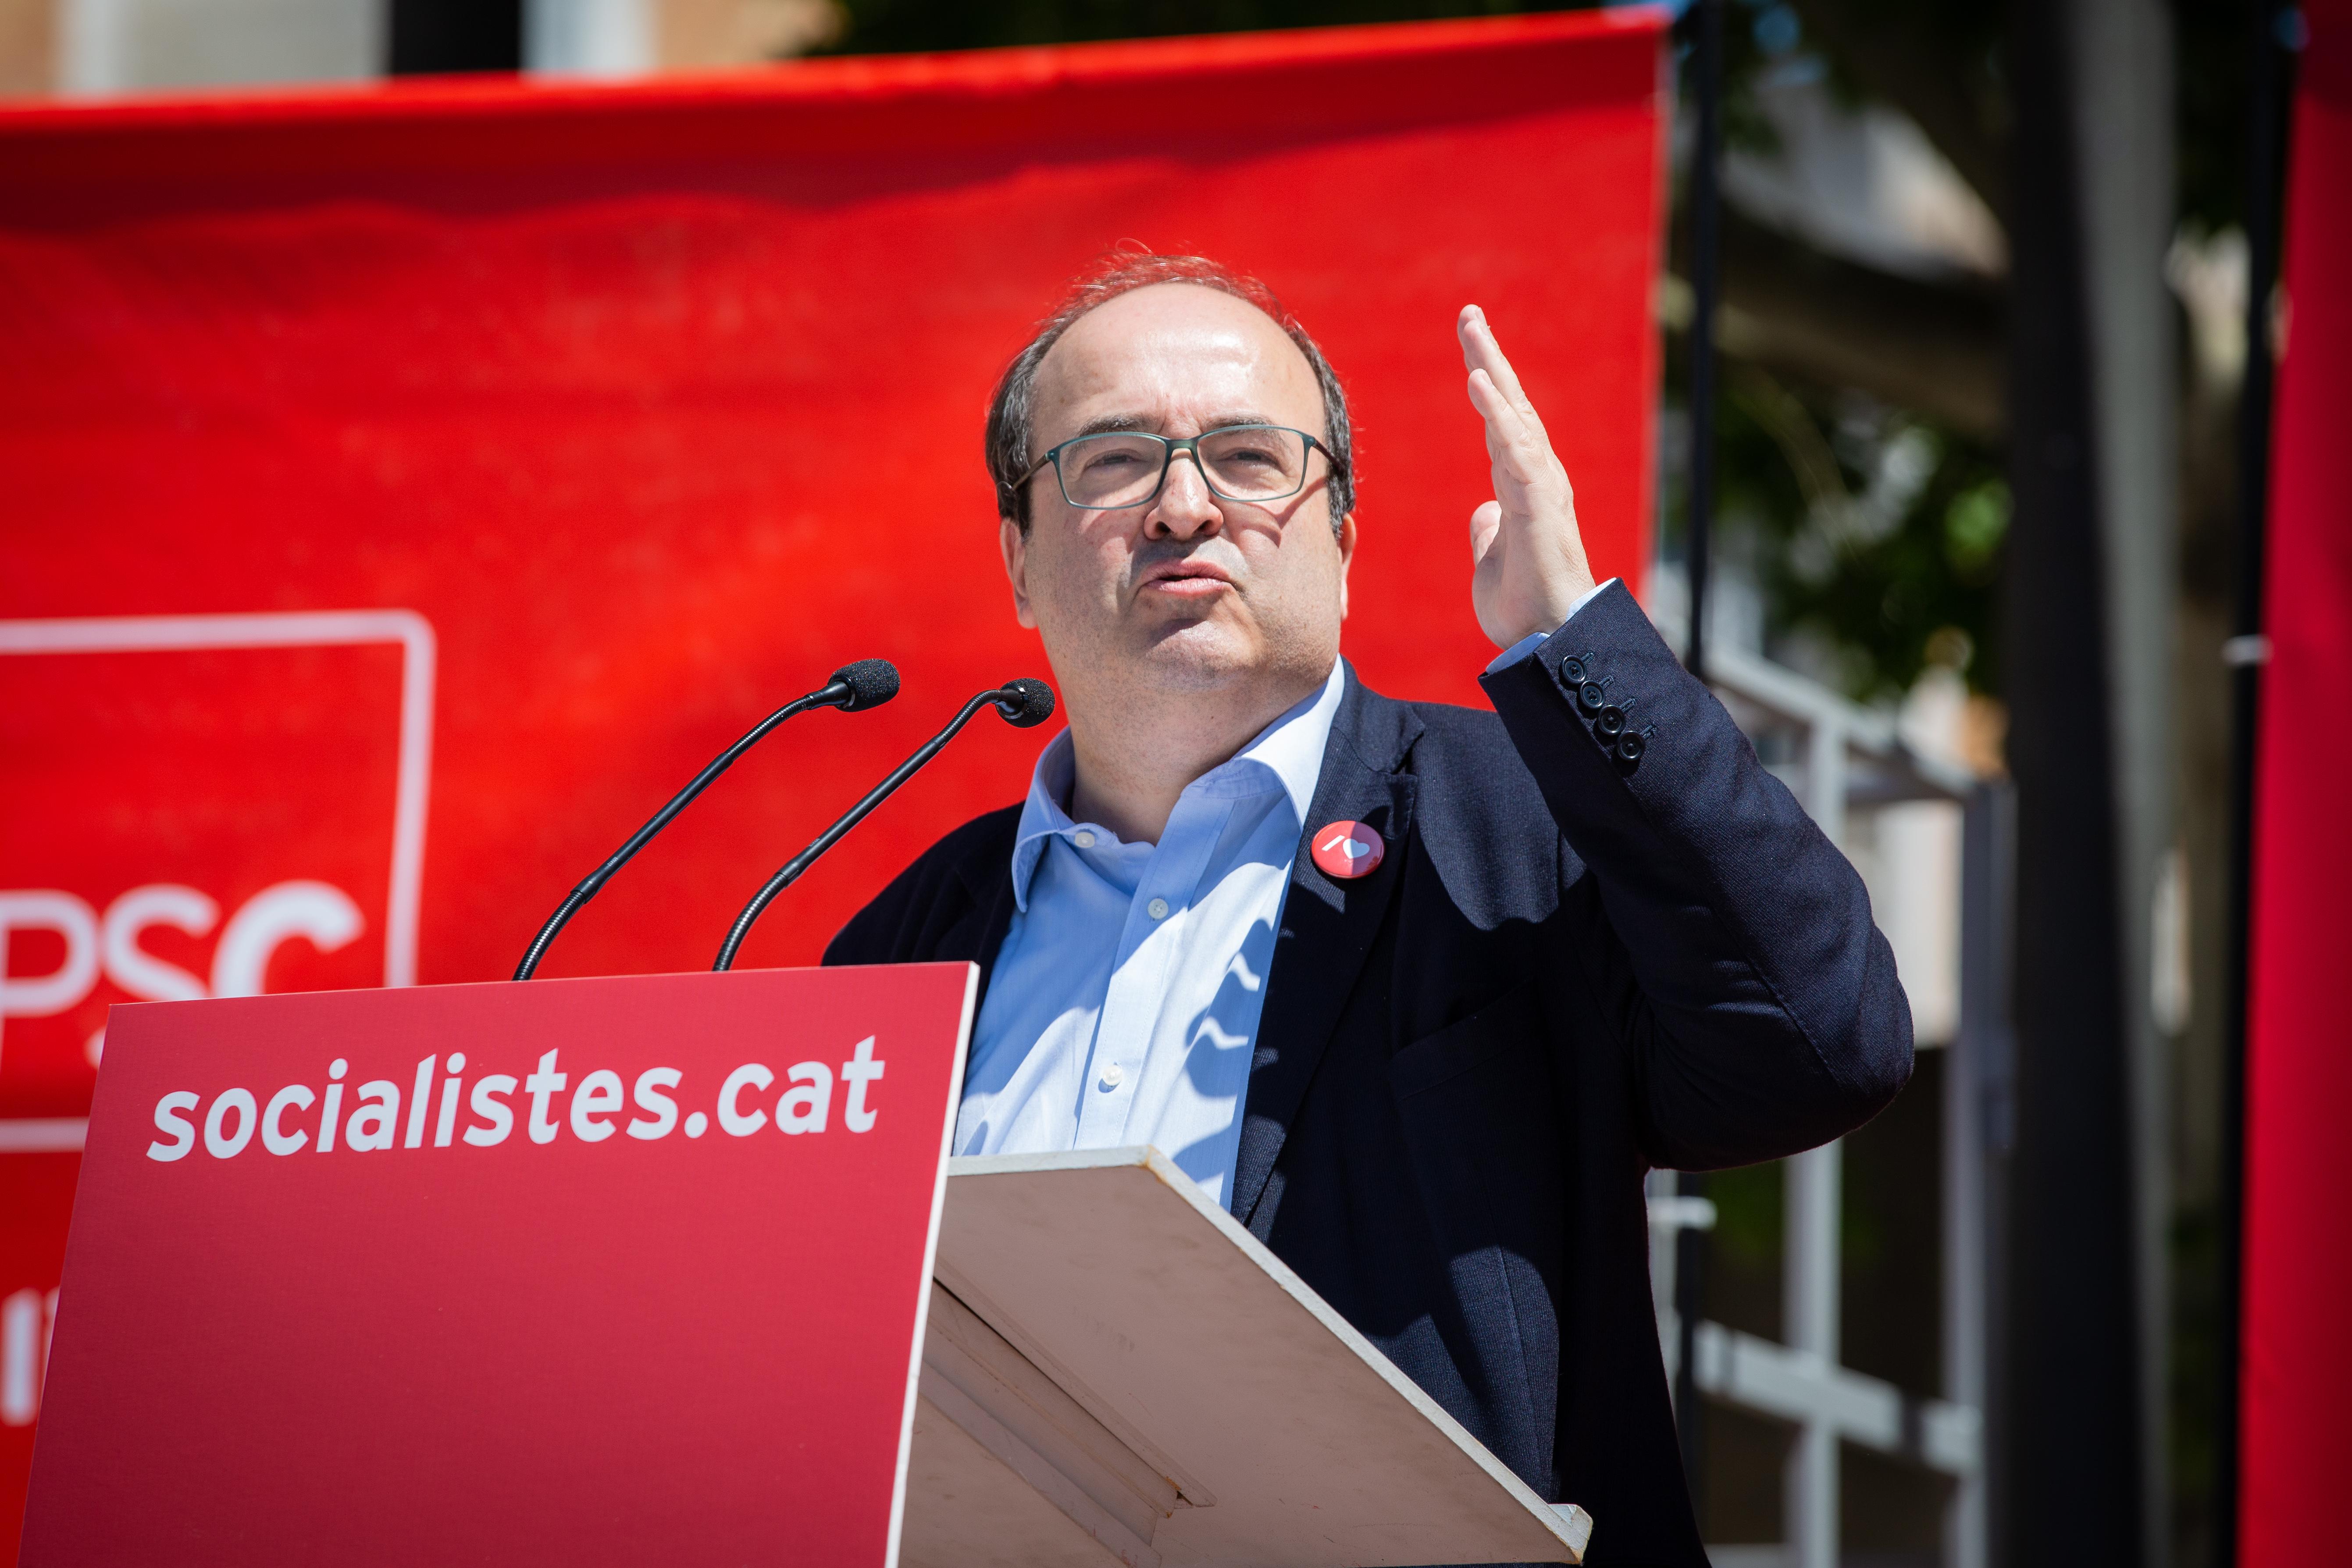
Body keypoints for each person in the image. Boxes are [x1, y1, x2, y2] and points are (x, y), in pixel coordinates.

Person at [825, 251, 1912, 1565]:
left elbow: (1819, 1045)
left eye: (1246, 457)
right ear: (1017, 557)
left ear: (1340, 538)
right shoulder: (910, 938)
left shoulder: (1517, 816)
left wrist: (1575, 643)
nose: (1182, 507)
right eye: (1111, 460)